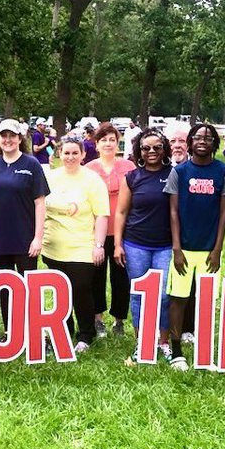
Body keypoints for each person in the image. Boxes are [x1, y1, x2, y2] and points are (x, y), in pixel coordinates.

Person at [165, 123, 225, 370]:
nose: (202, 141)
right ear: (190, 142)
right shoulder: (180, 172)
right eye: (197, 137)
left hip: (209, 250)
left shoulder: (224, 171)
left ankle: (205, 352)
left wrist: (217, 250)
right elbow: (172, 211)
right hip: (183, 248)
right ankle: (177, 352)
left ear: (215, 143)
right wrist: (176, 249)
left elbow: (224, 211)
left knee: (206, 300)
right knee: (178, 299)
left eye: (208, 137)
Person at [0, 119, 49, 327]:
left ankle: (33, 330)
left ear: (19, 138)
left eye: (12, 136)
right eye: (4, 136)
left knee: (28, 287)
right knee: (4, 287)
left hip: (25, 239)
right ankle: (10, 330)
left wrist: (38, 238)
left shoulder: (31, 164)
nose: (8, 140)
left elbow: (40, 203)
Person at [42, 137, 110, 353]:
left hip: (82, 246)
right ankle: (64, 329)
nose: (70, 157)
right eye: (66, 153)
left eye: (74, 153)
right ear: (59, 154)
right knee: (60, 292)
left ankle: (86, 334)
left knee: (80, 289)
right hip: (52, 246)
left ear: (82, 155)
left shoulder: (93, 180)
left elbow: (101, 215)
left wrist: (99, 245)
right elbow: (40, 207)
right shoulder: (49, 178)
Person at [115, 129, 174, 356]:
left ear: (164, 149)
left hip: (166, 245)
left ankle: (163, 342)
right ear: (139, 150)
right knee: (138, 294)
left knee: (164, 295)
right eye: (146, 148)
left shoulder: (174, 174)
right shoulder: (132, 177)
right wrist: (118, 244)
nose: (151, 151)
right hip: (135, 244)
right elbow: (121, 212)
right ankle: (142, 341)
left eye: (157, 147)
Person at [87, 122, 134, 337]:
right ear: (96, 144)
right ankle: (97, 319)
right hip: (96, 230)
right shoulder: (88, 169)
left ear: (118, 143)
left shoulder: (128, 167)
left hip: (122, 230)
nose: (108, 143)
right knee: (96, 275)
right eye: (104, 140)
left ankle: (119, 320)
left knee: (120, 277)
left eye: (112, 140)